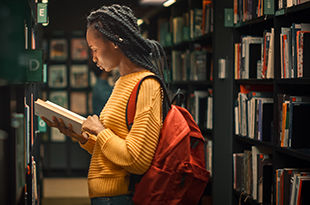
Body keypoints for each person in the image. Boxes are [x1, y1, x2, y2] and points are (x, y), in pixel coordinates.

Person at [41, 4, 169, 205]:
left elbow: (136, 160)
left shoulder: (147, 84)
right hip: (106, 196)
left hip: (119, 197)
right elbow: (113, 151)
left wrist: (100, 131)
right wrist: (82, 137)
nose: (93, 58)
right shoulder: (121, 82)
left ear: (114, 42)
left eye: (94, 49)